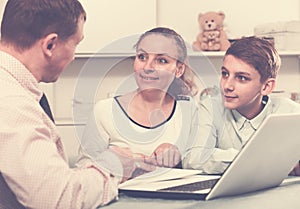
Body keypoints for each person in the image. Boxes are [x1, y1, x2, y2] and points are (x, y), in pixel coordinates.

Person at [0, 0, 136, 208]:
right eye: (76, 43)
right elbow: (58, 198)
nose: (73, 56)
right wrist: (113, 165)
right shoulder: (12, 102)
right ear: (50, 45)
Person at [78, 27, 201, 177]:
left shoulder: (188, 108)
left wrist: (177, 158)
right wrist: (118, 163)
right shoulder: (104, 111)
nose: (148, 67)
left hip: (174, 200)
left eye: (161, 60)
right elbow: (82, 172)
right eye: (142, 57)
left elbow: (198, 165)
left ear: (179, 70)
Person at [182, 36, 300, 175]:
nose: (227, 85)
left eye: (242, 78)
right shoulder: (210, 106)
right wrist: (262, 160)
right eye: (225, 74)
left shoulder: (290, 112)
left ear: (267, 86)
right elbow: (193, 158)